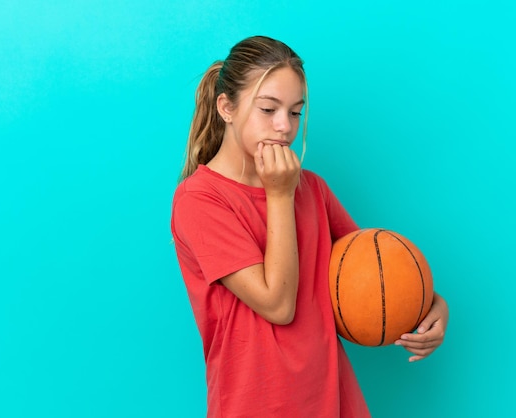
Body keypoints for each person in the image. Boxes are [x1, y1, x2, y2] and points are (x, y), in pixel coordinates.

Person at [171, 35, 449, 417]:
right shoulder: (200, 200)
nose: (285, 127)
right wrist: (280, 195)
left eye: (296, 112)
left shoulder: (312, 188)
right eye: (268, 109)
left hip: (330, 399)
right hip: (255, 404)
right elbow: (277, 304)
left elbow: (372, 271)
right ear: (226, 107)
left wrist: (433, 305)